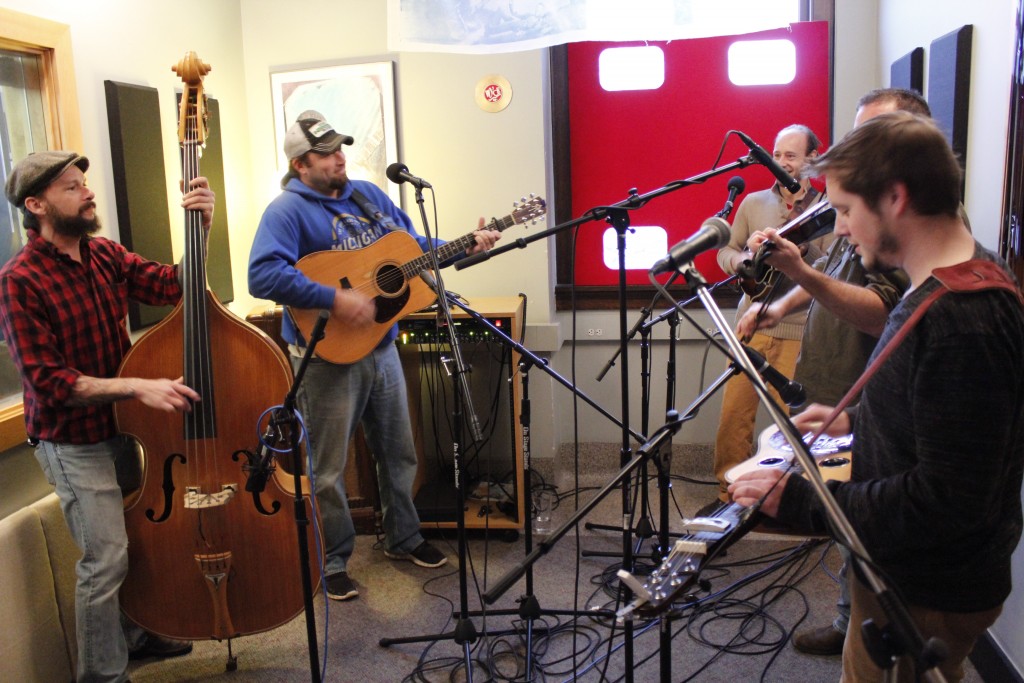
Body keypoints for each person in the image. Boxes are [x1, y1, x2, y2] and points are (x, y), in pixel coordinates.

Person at [729, 112, 1024, 683]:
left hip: (924, 586)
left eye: (844, 209)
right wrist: (854, 421)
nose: (839, 229)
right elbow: (939, 412)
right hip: (910, 570)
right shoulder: (941, 287)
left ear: (894, 197)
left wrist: (796, 503)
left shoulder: (965, 319)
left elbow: (946, 500)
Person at [248, 111, 500, 602]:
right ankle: (334, 559)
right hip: (325, 354)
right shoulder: (286, 212)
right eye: (326, 153)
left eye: (341, 147)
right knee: (327, 468)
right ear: (301, 165)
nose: (339, 157)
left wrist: (465, 246)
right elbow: (262, 276)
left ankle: (404, 538)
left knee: (398, 450)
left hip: (381, 345)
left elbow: (410, 249)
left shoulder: (370, 196)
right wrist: (334, 298)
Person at [0, 151, 215, 682]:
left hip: (122, 434)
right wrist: (137, 385)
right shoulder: (18, 281)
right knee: (104, 560)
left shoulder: (104, 255)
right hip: (72, 443)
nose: (88, 193)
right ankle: (102, 676)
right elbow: (49, 382)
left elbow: (172, 285)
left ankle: (137, 635)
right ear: (37, 205)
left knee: (136, 544)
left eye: (84, 184)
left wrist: (202, 228)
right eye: (72, 188)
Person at [735, 88, 926, 657]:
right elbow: (834, 271)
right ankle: (853, 622)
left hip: (863, 386)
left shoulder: (911, 231)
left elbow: (881, 311)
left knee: (866, 515)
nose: (860, 147)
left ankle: (862, 627)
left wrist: (799, 271)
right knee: (853, 529)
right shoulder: (864, 219)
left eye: (876, 134)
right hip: (838, 391)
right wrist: (777, 303)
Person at [710, 124, 833, 504]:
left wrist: (799, 252)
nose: (781, 163)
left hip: (799, 329)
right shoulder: (752, 204)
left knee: (790, 426)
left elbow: (831, 267)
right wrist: (745, 258)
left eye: (790, 156)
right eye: (777, 155)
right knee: (734, 418)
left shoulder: (828, 209)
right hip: (750, 326)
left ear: (812, 159)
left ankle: (792, 500)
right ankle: (727, 496)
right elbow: (723, 252)